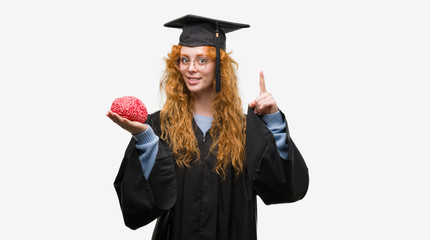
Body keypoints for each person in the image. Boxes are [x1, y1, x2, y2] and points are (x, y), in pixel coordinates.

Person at [107, 14, 309, 240]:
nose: (191, 68)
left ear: (220, 66)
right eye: (184, 60)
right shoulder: (159, 126)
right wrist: (144, 138)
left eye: (201, 60)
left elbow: (285, 187)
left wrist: (272, 121)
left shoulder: (244, 130)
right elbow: (137, 209)